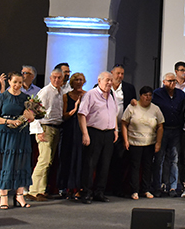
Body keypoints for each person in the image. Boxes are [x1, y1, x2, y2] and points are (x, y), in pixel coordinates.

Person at [0, 71, 36, 209]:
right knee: (4, 163)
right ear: (9, 82)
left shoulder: (25, 98)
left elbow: (31, 118)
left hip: (20, 134)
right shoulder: (1, 97)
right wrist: (8, 121)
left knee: (20, 163)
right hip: (4, 133)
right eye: (15, 82)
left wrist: (30, 117)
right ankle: (3, 196)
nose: (17, 85)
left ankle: (19, 195)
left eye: (20, 83)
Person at [77, 71, 119, 204]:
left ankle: (99, 192)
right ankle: (86, 192)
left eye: (111, 80)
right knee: (90, 164)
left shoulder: (112, 95)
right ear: (99, 81)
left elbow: (114, 114)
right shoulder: (91, 95)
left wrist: (116, 130)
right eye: (107, 80)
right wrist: (85, 133)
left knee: (105, 164)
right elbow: (81, 114)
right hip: (94, 132)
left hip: (108, 134)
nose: (109, 83)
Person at [26, 67, 64, 201]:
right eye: (54, 77)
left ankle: (41, 190)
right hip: (45, 128)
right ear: (50, 78)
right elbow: (33, 112)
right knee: (44, 159)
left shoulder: (60, 92)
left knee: (48, 161)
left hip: (55, 128)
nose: (56, 80)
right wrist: (38, 131)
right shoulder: (45, 92)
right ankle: (33, 190)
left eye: (59, 77)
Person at [122, 86, 165, 200]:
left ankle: (145, 189)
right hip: (134, 142)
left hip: (149, 142)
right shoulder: (132, 107)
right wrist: (126, 140)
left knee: (148, 167)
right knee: (135, 167)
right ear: (140, 96)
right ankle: (134, 190)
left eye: (150, 95)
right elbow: (124, 123)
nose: (148, 98)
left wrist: (158, 143)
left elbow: (160, 126)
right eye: (145, 95)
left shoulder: (155, 109)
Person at [152, 72, 185, 197]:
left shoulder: (181, 95)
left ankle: (173, 187)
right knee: (159, 159)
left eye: (174, 81)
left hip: (176, 130)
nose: (172, 83)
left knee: (174, 159)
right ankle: (157, 186)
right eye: (169, 81)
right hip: (162, 129)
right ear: (164, 82)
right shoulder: (157, 94)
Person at [108, 64, 137, 197]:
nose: (120, 76)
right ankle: (103, 188)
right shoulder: (103, 87)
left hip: (122, 131)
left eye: (122, 74)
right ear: (112, 73)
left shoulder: (129, 88)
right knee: (106, 159)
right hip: (107, 129)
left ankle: (118, 189)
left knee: (120, 160)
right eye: (118, 73)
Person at [58, 72, 85, 200]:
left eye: (81, 80)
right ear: (72, 82)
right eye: (76, 80)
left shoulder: (87, 95)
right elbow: (64, 115)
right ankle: (66, 187)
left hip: (82, 129)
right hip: (69, 129)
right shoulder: (66, 96)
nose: (79, 82)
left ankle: (79, 188)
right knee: (67, 157)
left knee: (81, 158)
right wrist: (74, 109)